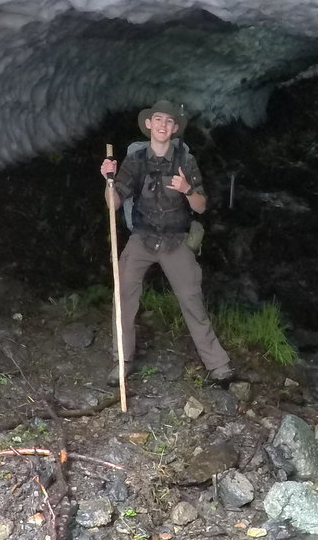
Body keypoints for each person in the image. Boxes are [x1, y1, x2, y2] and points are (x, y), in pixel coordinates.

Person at [99, 99, 233, 384]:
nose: (163, 125)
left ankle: (218, 364)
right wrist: (108, 180)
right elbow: (114, 203)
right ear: (149, 124)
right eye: (158, 120)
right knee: (123, 297)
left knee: (191, 299)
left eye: (169, 122)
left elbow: (200, 207)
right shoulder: (135, 160)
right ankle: (121, 361)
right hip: (142, 238)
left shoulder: (185, 160)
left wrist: (186, 189)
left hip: (175, 240)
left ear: (174, 128)